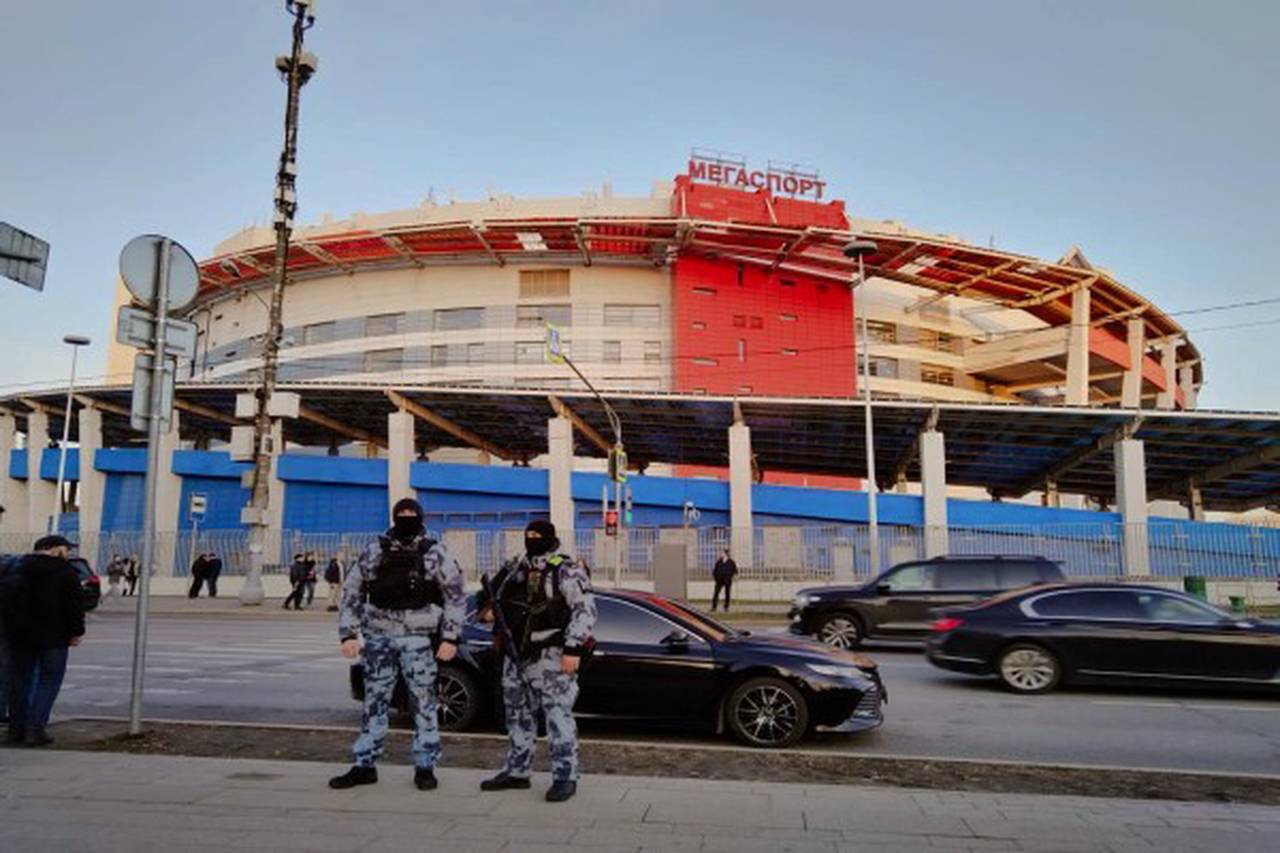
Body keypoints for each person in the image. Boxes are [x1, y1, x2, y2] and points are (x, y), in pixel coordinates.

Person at [329, 498, 465, 792]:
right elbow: (352, 592)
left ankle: (425, 766)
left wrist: (450, 637)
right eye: (401, 514)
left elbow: (455, 596)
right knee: (374, 702)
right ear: (394, 517)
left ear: (420, 517)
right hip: (379, 637)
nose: (406, 518)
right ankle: (365, 765)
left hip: (418, 637)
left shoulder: (434, 552)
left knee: (424, 702)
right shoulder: (375, 550)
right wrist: (348, 634)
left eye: (411, 514)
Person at [476, 519, 596, 803]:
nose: (531, 538)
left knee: (557, 716)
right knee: (517, 715)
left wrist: (573, 649)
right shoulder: (514, 567)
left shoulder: (565, 569)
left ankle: (565, 776)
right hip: (515, 654)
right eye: (528, 534)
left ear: (551, 538)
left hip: (551, 655)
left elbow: (584, 611)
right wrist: (488, 611)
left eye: (537, 535)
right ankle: (517, 771)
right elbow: (489, 601)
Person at [3, 535, 86, 747]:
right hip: (54, 636)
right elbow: (74, 605)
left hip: (19, 635)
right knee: (49, 681)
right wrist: (76, 632)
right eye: (65, 549)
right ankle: (35, 729)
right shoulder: (65, 572)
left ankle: (16, 729)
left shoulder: (17, 567)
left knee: (20, 681)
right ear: (53, 549)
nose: (68, 553)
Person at [712, 548, 738, 612]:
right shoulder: (718, 562)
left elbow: (735, 571)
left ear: (726, 554)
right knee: (716, 593)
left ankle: (726, 607)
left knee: (727, 594)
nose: (721, 554)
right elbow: (715, 571)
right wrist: (716, 578)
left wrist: (732, 576)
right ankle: (714, 607)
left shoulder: (731, 562)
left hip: (727, 580)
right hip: (719, 581)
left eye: (722, 553)